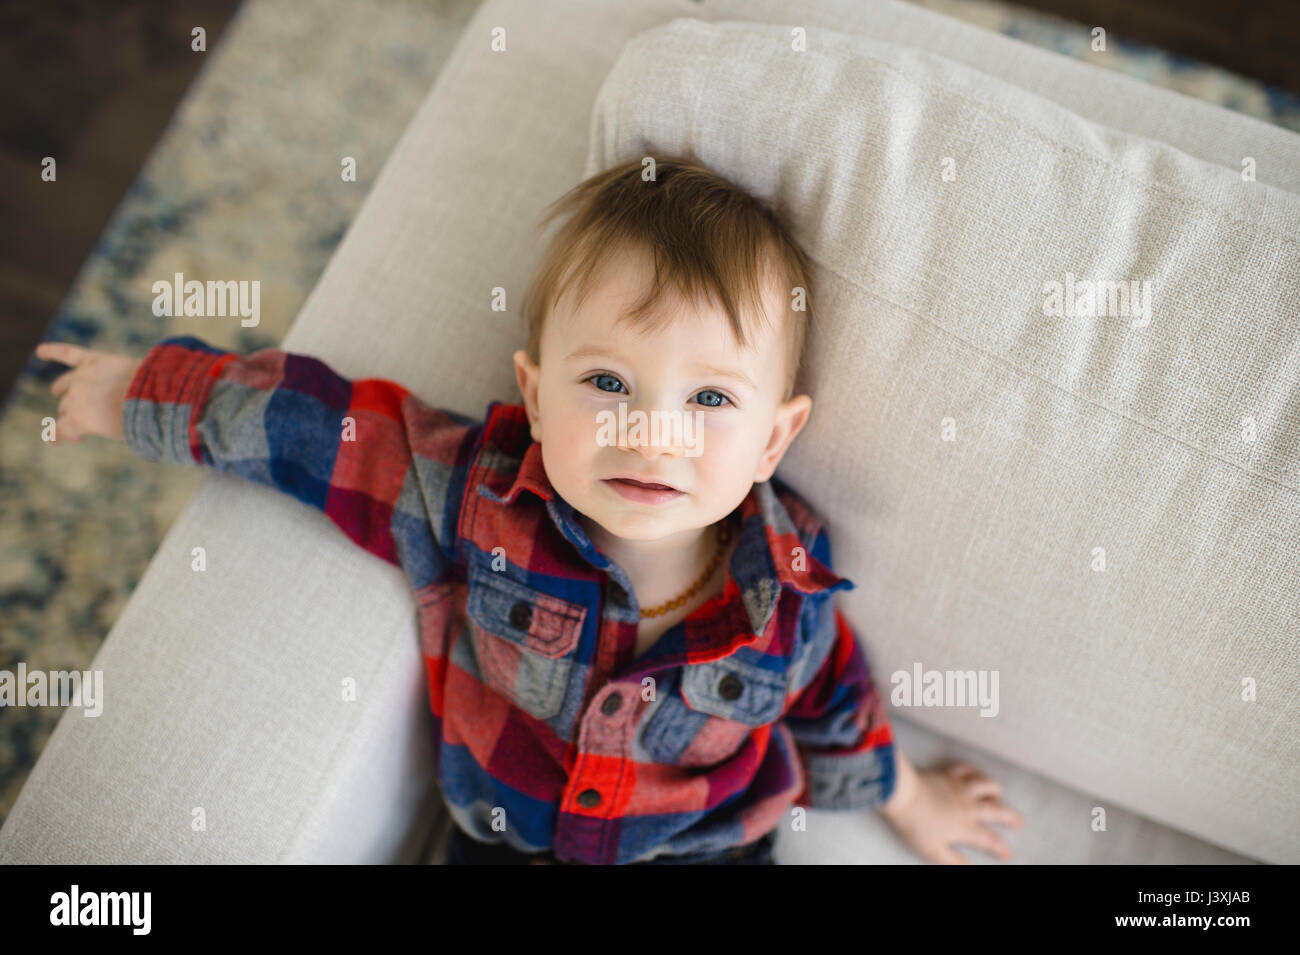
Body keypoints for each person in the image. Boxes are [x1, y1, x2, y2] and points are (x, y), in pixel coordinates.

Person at [35, 154, 1023, 865]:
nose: (653, 434)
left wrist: (905, 794)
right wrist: (144, 392)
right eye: (606, 382)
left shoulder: (786, 585)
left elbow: (829, 693)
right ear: (538, 394)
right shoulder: (477, 496)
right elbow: (315, 427)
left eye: (710, 399)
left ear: (773, 438)